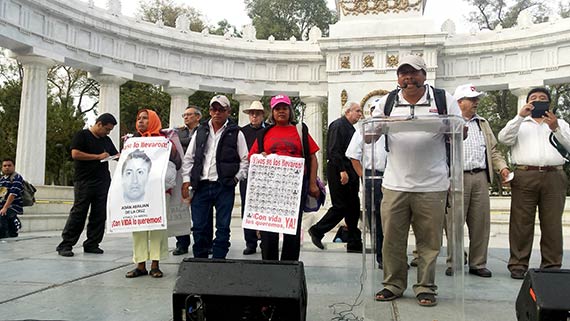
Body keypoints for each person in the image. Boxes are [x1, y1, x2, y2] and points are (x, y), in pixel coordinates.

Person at [372, 55, 461, 307]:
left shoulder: (444, 99)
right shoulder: (388, 101)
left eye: (414, 73)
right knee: (391, 239)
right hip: (394, 184)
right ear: (398, 77)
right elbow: (368, 136)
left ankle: (425, 286)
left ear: (424, 75)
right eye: (403, 73)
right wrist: (381, 125)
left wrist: (448, 125)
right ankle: (392, 283)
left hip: (432, 185)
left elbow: (461, 132)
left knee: (429, 242)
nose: (408, 78)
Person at [498, 87, 569, 280]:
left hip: (554, 175)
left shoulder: (559, 122)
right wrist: (520, 117)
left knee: (552, 223)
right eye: (534, 98)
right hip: (525, 175)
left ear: (549, 103)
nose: (538, 100)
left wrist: (555, 128)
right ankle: (518, 264)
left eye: (542, 98)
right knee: (521, 222)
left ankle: (552, 265)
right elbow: (503, 138)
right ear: (527, 102)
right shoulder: (520, 123)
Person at [444, 84, 510, 278]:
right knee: (454, 223)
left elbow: (493, 150)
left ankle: (478, 262)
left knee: (481, 223)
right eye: (472, 99)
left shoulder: (483, 123)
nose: (476, 102)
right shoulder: (449, 122)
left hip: (480, 176)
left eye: (476, 99)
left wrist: (503, 167)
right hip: (456, 177)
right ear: (459, 102)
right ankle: (455, 261)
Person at [248, 94, 320, 261]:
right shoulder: (264, 132)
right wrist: (262, 156)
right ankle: (269, 264)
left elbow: (312, 157)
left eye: (284, 108)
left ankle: (290, 265)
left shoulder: (300, 130)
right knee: (268, 228)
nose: (281, 111)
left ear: (290, 111)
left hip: (295, 187)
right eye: (277, 108)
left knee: (292, 227)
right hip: (270, 188)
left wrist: (312, 183)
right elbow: (252, 157)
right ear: (272, 112)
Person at [181, 95, 249, 259]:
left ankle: (219, 259)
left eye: (221, 109)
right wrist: (186, 180)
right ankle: (200, 259)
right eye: (214, 109)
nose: (217, 113)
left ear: (228, 111)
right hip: (201, 185)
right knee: (199, 226)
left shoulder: (236, 132)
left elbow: (245, 159)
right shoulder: (201, 131)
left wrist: (236, 178)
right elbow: (189, 158)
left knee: (223, 226)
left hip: (223, 186)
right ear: (210, 111)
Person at [125, 109, 182, 278]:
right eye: (138, 118)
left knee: (157, 226)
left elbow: (178, 163)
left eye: (145, 118)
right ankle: (140, 264)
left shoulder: (165, 139)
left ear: (154, 121)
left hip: (160, 190)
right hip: (138, 191)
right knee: (138, 225)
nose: (141, 121)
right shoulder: (132, 141)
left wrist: (171, 150)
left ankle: (155, 264)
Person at [56, 113, 119, 257]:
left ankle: (92, 243)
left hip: (102, 181)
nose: (108, 132)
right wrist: (97, 157)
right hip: (84, 181)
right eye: (107, 129)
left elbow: (115, 155)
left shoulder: (106, 140)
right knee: (79, 212)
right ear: (99, 124)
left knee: (99, 214)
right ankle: (66, 244)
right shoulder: (82, 135)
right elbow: (75, 154)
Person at [309, 101, 363, 253]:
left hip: (350, 171)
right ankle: (317, 230)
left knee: (353, 207)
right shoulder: (338, 125)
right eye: (357, 111)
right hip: (340, 171)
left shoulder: (351, 128)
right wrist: (342, 170)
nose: (360, 114)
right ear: (348, 112)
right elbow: (334, 151)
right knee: (341, 206)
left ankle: (354, 241)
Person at [345, 100, 387, 268]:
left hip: (394, 176)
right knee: (376, 217)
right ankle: (382, 256)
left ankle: (395, 256)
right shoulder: (363, 130)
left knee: (394, 218)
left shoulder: (392, 129)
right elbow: (353, 155)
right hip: (373, 175)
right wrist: (364, 176)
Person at [172, 106, 202, 256]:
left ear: (198, 117)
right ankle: (182, 243)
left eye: (189, 115)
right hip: (181, 175)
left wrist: (183, 142)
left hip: (199, 175)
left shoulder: (204, 130)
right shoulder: (178, 132)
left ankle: (203, 243)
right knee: (180, 210)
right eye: (184, 115)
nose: (186, 117)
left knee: (202, 213)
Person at [239, 101, 268, 255]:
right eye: (252, 113)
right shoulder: (241, 132)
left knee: (264, 208)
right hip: (248, 175)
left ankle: (265, 240)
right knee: (247, 208)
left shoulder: (269, 130)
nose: (254, 116)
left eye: (257, 113)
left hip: (265, 177)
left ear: (263, 115)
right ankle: (250, 242)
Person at [0, 158, 23, 239]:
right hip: (3, 205)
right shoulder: (2, 179)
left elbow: (13, 194)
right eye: (4, 166)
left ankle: (4, 235)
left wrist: (5, 207)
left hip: (13, 205)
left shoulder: (17, 177)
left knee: (2, 215)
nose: (7, 167)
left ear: (13, 166)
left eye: (9, 165)